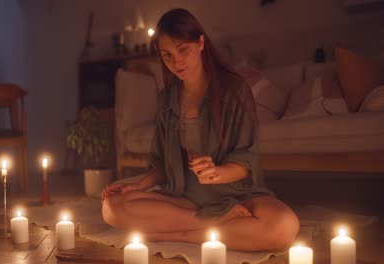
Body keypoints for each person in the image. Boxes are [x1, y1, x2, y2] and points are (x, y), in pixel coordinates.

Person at [102, 8, 299, 251]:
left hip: (234, 197)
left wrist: (216, 172)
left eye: (182, 49)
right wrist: (139, 186)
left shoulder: (234, 90)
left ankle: (186, 235)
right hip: (185, 198)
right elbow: (163, 165)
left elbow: (245, 162)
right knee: (111, 206)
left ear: (200, 43)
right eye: (167, 55)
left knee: (284, 226)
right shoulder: (168, 98)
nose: (176, 61)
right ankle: (212, 224)